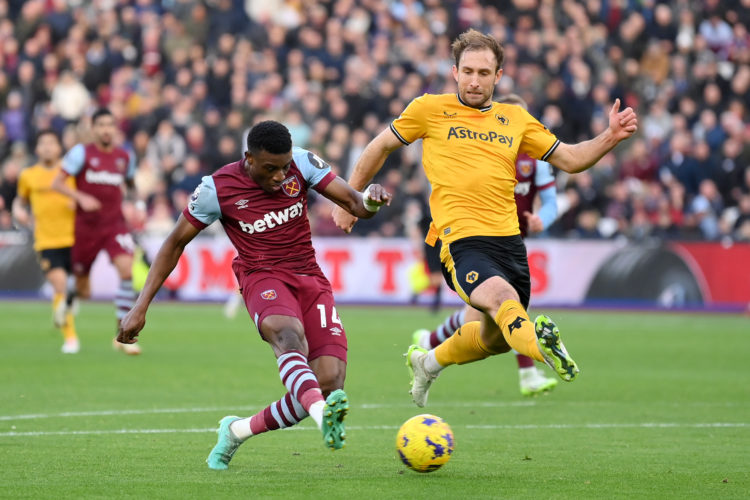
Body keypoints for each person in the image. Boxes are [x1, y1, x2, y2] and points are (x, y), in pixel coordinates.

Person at [333, 29, 638, 407]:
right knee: (501, 298)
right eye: (468, 71)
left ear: (498, 76)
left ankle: (428, 362)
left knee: (494, 339)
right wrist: (349, 202)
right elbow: (379, 146)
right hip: (459, 241)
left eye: (483, 72)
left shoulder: (516, 119)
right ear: (454, 72)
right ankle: (544, 351)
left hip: (509, 244)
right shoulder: (429, 109)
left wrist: (610, 136)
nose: (474, 80)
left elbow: (572, 159)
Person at [116, 120, 391, 469]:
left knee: (328, 381)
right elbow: (174, 243)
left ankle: (237, 431)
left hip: (309, 277)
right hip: (262, 275)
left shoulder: (303, 163)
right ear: (249, 158)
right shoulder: (217, 189)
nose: (280, 177)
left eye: (284, 167)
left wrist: (371, 199)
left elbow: (355, 204)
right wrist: (141, 306)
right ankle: (323, 417)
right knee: (287, 334)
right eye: (270, 169)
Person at [412, 93, 561, 397]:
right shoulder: (476, 152)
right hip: (474, 241)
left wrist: (541, 220)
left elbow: (551, 203)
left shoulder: (537, 160)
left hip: (513, 242)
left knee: (482, 319)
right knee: (505, 308)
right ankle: (529, 372)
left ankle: (429, 347)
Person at [51, 108, 141, 355]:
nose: (106, 129)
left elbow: (132, 185)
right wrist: (80, 197)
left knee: (126, 270)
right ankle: (69, 297)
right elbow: (56, 183)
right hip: (86, 228)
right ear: (93, 129)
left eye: (109, 125)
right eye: (101, 125)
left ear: (115, 128)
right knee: (84, 290)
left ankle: (123, 336)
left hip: (115, 224)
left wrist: (139, 205)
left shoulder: (125, 156)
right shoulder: (81, 153)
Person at [12, 129, 79, 353]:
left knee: (76, 287)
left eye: (52, 143)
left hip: (74, 238)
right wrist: (19, 212)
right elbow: (19, 202)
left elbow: (83, 200)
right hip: (46, 240)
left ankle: (61, 308)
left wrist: (76, 205)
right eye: (43, 143)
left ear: (59, 148)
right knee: (60, 284)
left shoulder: (70, 173)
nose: (48, 147)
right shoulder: (28, 175)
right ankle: (70, 337)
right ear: (37, 148)